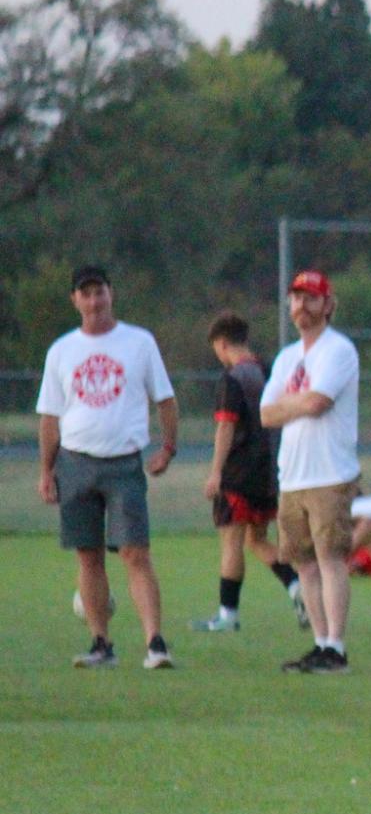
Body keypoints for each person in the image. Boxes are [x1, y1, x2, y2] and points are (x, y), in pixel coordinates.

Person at [37, 264, 179, 669]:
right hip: (76, 461)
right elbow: (50, 417)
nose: (94, 301)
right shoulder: (62, 350)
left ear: (111, 295)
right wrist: (47, 471)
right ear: (75, 300)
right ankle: (101, 642)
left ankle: (155, 642)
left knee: (134, 551)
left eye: (100, 292)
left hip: (123, 462)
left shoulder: (138, 342)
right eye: (86, 293)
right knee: (89, 555)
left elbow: (165, 399)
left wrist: (168, 447)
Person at [261, 270, 361, 674]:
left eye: (311, 298)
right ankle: (319, 642)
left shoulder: (338, 350)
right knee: (303, 564)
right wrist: (296, 403)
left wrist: (294, 401)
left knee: (330, 559)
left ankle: (336, 646)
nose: (302, 306)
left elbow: (318, 402)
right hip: (294, 475)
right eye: (296, 298)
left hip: (329, 472)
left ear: (328, 304)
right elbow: (267, 414)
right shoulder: (288, 357)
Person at [191, 311, 303, 633]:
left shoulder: (232, 378)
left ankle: (228, 615)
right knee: (258, 539)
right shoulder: (269, 370)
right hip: (269, 470)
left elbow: (226, 427)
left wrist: (215, 473)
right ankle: (298, 589)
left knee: (232, 542)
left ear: (222, 344)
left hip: (238, 472)